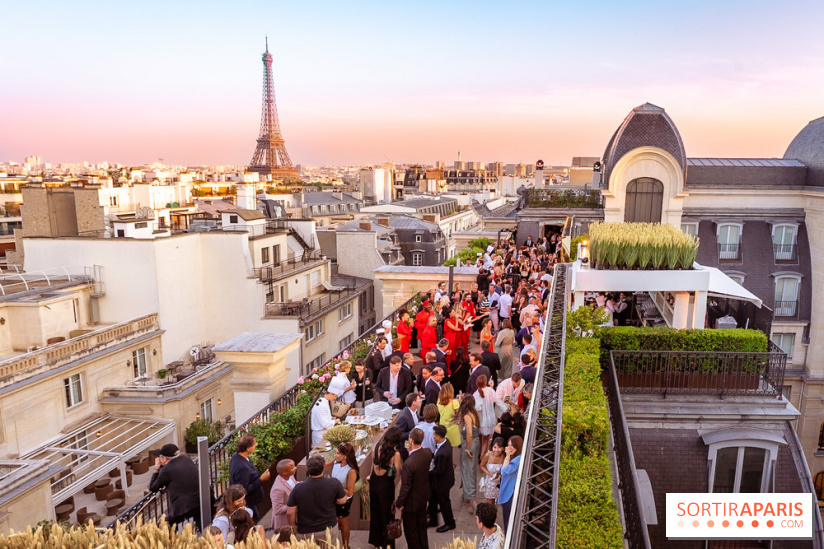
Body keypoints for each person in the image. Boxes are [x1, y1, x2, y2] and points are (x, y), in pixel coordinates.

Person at [287, 454, 347, 541]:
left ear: (307, 469)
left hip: (305, 530)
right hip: (328, 528)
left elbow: (290, 512)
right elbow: (342, 501)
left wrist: (293, 526)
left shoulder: (298, 488)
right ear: (323, 468)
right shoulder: (334, 483)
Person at [395, 429, 433, 549]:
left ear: (411, 440)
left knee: (411, 533)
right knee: (421, 528)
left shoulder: (408, 464)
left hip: (411, 504)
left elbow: (405, 487)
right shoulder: (427, 453)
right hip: (423, 499)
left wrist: (399, 502)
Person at [149, 443, 201, 531]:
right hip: (200, 500)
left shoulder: (166, 470)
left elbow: (153, 487)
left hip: (185, 508)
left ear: (164, 458)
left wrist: (156, 468)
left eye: (160, 457)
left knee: (167, 525)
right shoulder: (186, 458)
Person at [369, 427, 403, 549]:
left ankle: (376, 542)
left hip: (374, 482)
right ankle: (387, 543)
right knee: (387, 514)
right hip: (386, 485)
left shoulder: (376, 446)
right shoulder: (395, 454)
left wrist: (370, 476)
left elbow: (372, 466)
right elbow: (398, 472)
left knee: (375, 512)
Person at [229, 434, 271, 521]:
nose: (256, 445)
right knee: (253, 521)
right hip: (248, 502)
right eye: (254, 444)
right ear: (247, 448)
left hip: (251, 503)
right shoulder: (242, 467)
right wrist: (261, 479)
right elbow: (244, 489)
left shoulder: (237, 457)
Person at [325, 442, 360, 549]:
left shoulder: (351, 471)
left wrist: (334, 485)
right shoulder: (336, 461)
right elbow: (324, 466)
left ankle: (345, 545)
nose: (335, 455)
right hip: (333, 497)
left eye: (338, 453)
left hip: (344, 500)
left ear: (345, 456)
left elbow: (350, 492)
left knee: (343, 523)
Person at [428, 425, 456, 532]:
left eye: (434, 434)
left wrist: (429, 471)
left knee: (444, 502)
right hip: (440, 481)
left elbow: (440, 470)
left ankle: (450, 523)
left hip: (442, 482)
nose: (433, 436)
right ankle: (433, 519)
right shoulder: (445, 442)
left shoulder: (443, 453)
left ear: (438, 436)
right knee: (433, 499)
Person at [455, 393, 480, 507]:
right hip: (476, 441)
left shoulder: (467, 416)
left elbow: (469, 433)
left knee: (467, 469)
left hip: (470, 443)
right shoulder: (475, 413)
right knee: (472, 468)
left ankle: (469, 495)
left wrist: (467, 448)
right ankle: (470, 492)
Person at [498, 435, 523, 532]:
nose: (510, 448)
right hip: (508, 493)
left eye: (513, 445)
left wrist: (507, 456)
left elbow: (504, 471)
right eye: (508, 445)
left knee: (508, 523)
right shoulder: (515, 458)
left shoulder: (516, 460)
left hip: (510, 494)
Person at [474, 375, 502, 457]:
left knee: (479, 438)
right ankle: (482, 458)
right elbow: (494, 400)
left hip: (479, 419)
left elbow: (476, 407)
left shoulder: (475, 394)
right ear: (486, 382)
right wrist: (492, 387)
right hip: (488, 418)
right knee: (485, 440)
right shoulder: (490, 390)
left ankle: (479, 453)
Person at [270, 459, 297, 530]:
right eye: (292, 468)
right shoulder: (277, 489)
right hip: (284, 523)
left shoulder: (290, 476)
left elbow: (294, 485)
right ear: (284, 472)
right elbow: (278, 509)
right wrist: (294, 505)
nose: (295, 468)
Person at [479, 438, 506, 504]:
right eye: (494, 447)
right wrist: (488, 472)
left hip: (500, 483)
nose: (496, 450)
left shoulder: (505, 457)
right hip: (490, 484)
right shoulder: (488, 455)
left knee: (502, 504)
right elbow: (481, 466)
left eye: (499, 447)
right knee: (490, 505)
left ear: (503, 448)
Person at [437, 382, 462, 447]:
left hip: (442, 426)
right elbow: (459, 414)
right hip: (452, 428)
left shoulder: (439, 401)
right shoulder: (454, 402)